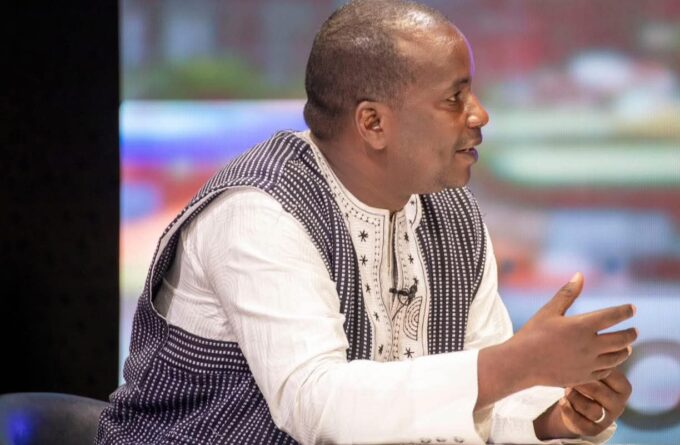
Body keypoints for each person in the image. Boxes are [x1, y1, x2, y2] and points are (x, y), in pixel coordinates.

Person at [97, 1, 638, 443]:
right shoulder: (259, 212)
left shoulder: (451, 211)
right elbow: (317, 406)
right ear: (373, 123)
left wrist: (554, 420)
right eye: (454, 98)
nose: (479, 114)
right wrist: (516, 365)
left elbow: (480, 399)